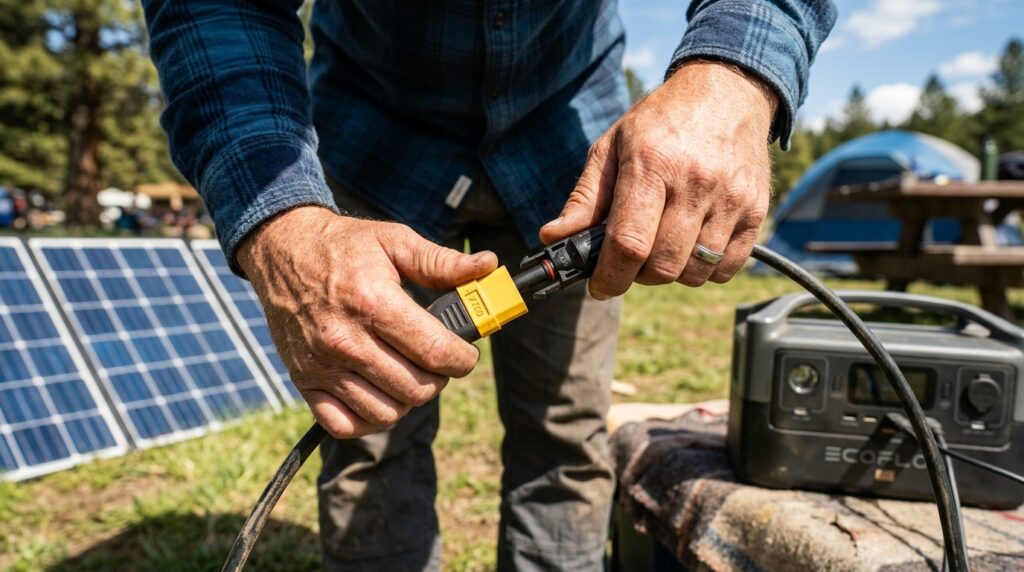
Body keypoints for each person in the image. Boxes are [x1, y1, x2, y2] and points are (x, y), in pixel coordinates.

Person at [142, 1, 835, 569]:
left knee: (564, 434)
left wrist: (732, 76)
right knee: (370, 437)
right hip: (373, 141)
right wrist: (283, 227)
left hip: (569, 155)